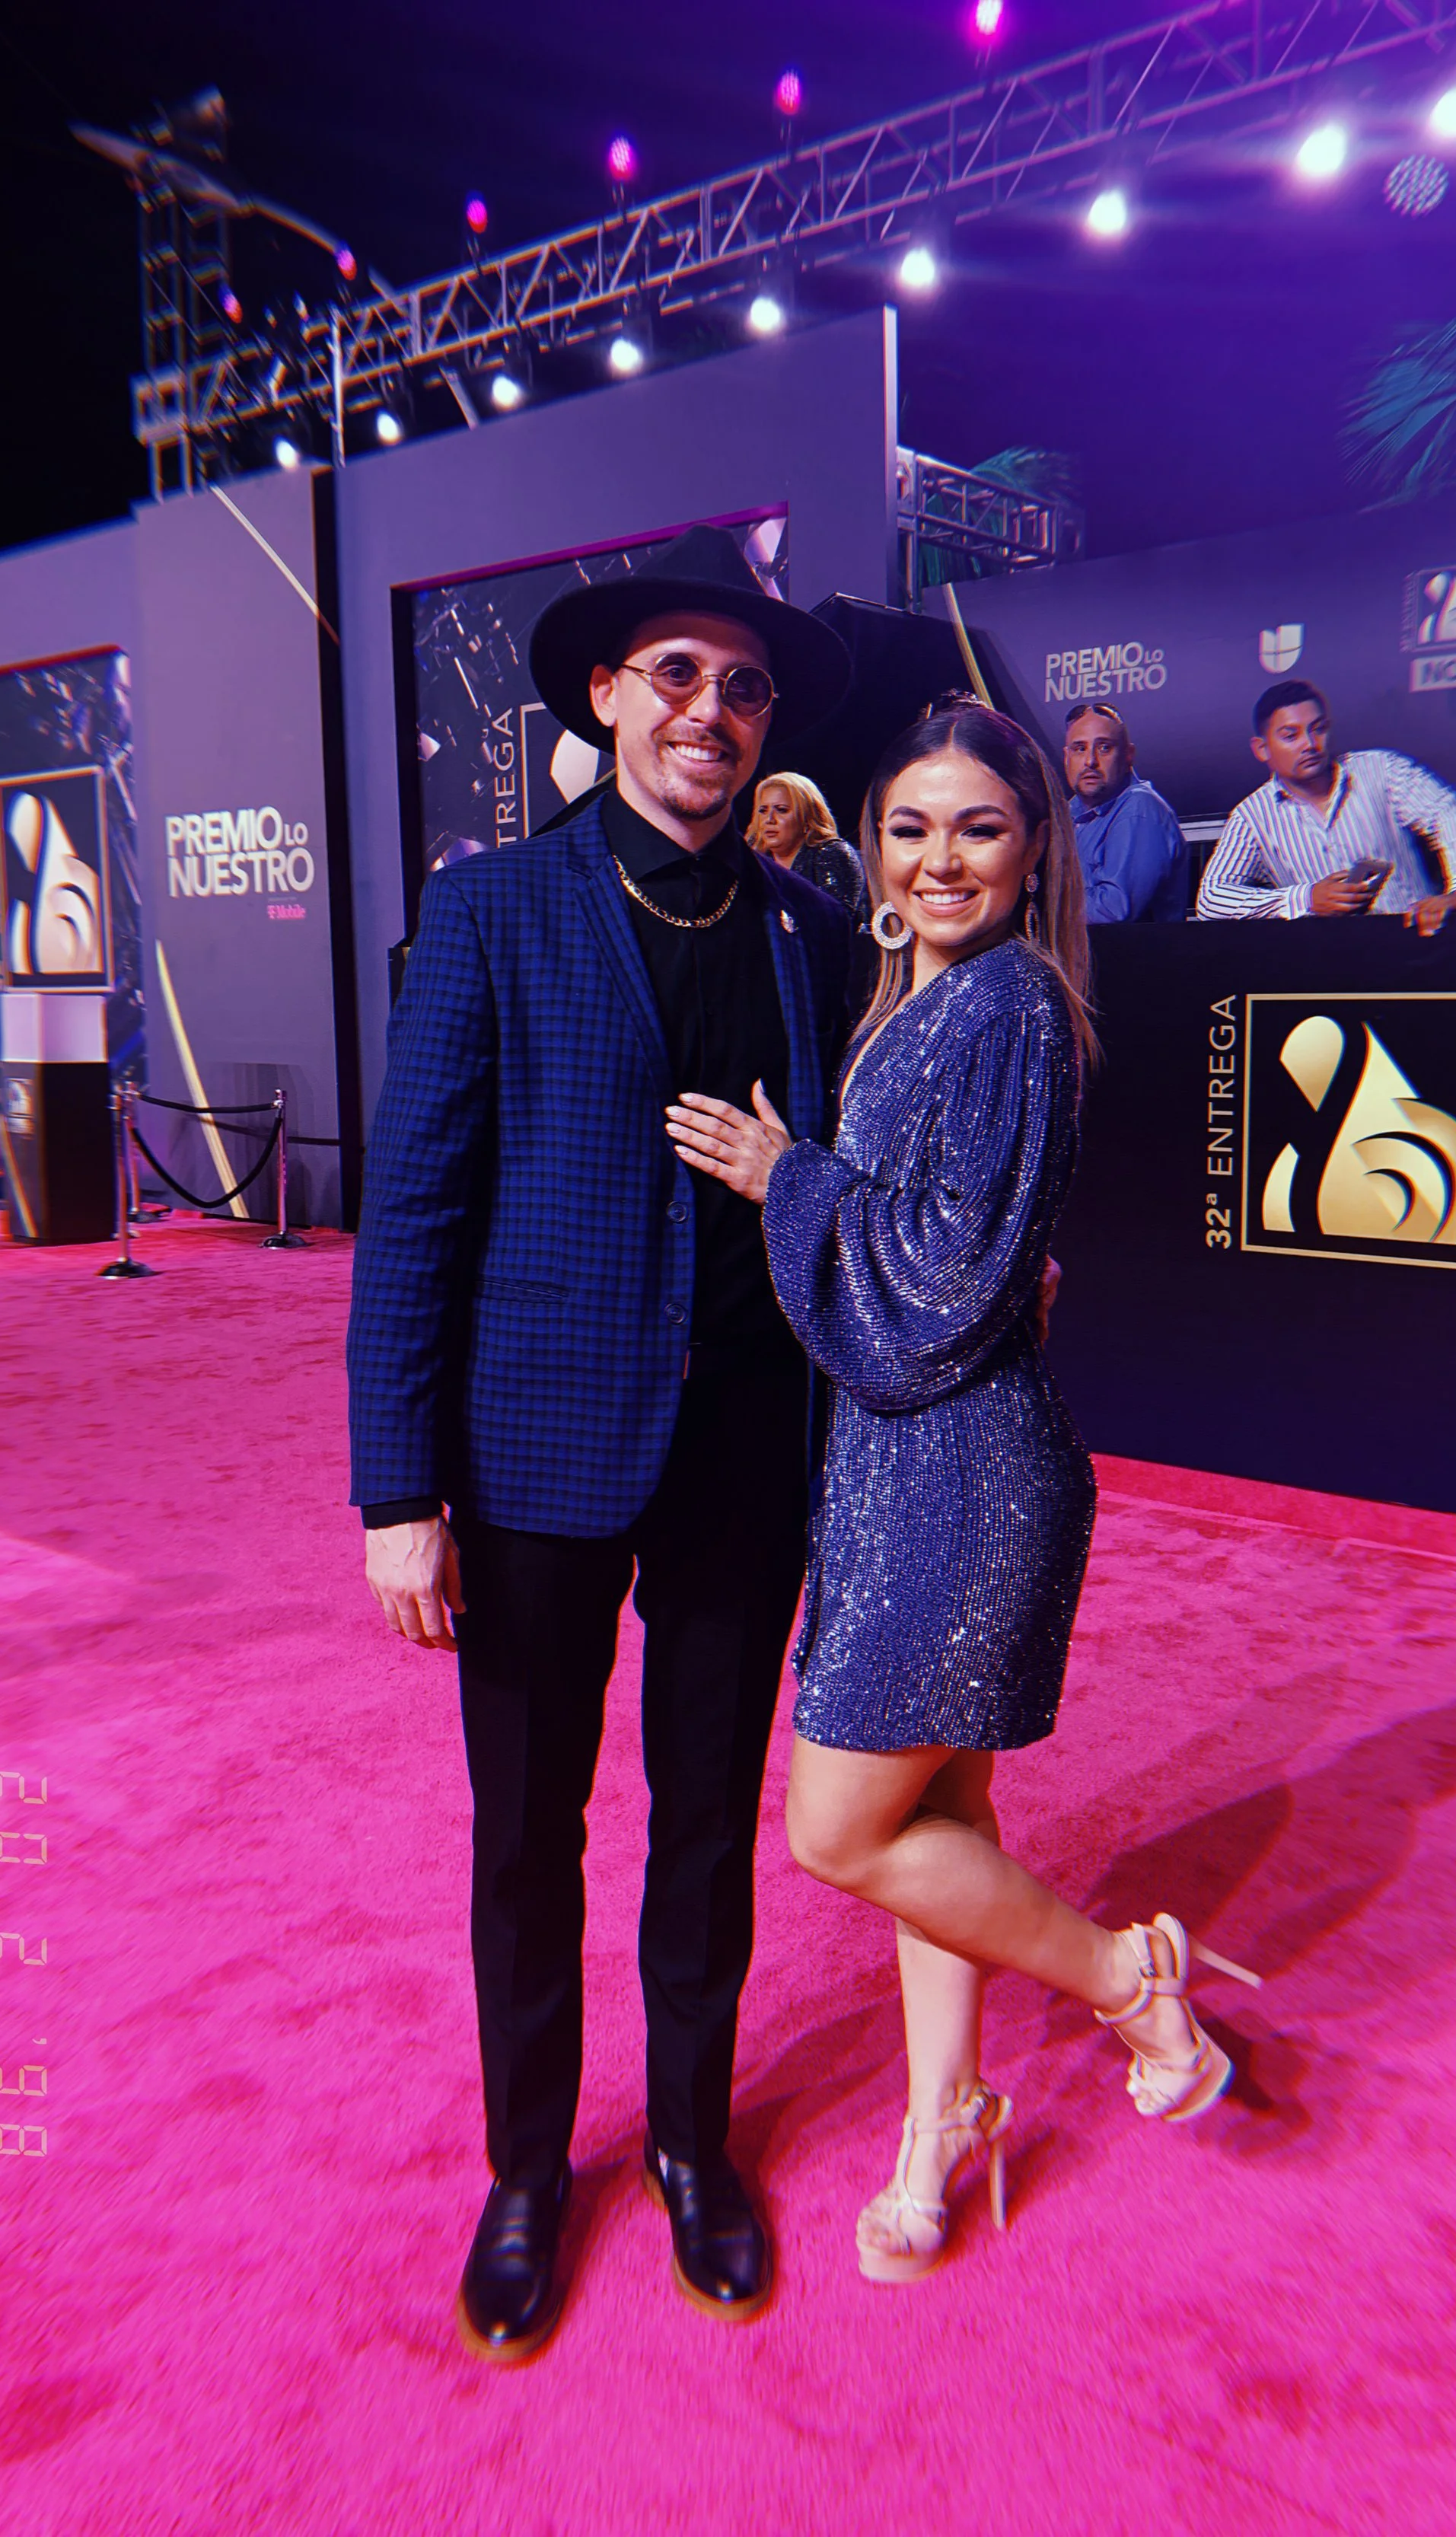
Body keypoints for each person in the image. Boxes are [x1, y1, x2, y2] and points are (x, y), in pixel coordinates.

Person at [664, 700, 1259, 2289]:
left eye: (977, 827)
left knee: (835, 1829)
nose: (938, 858)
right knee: (938, 1814)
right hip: (899, 1458)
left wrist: (778, 1175)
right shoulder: (910, 1001)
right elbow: (961, 1249)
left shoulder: (1002, 1006)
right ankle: (944, 2120)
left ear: (1032, 843)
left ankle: (1127, 1978)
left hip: (964, 1473)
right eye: (912, 826)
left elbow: (929, 1283)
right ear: (872, 843)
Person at [346, 526, 854, 2361]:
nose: (708, 712)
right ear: (604, 699)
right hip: (534, 1460)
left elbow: (829, 1189)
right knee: (527, 1838)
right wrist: (399, 1493)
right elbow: (413, 1216)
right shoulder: (492, 909)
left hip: (743, 1466)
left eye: (739, 687)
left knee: (708, 1828)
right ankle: (524, 2171)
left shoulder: (810, 928)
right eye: (675, 678)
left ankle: (699, 2148)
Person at [1198, 679, 1456, 929]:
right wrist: (1305, 898)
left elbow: (1449, 814)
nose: (1309, 744)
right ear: (1262, 749)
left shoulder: (1382, 770)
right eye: (1291, 736)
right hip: (1327, 970)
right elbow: (1212, 900)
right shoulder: (1253, 816)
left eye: (1318, 729)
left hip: (1416, 948)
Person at [1062, 701, 1190, 922]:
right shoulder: (1068, 812)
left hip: (1130, 954)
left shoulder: (1140, 809)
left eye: (1104, 748)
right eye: (1080, 749)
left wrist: (1043, 900)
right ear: (1066, 757)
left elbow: (1112, 912)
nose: (1090, 761)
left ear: (1128, 754)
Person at [747, 770, 870, 926]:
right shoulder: (754, 864)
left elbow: (835, 926)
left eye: (781, 810)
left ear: (807, 819)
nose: (769, 820)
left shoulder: (831, 854)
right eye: (763, 811)